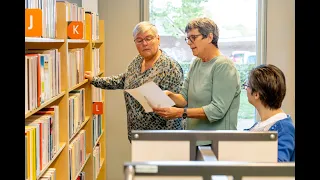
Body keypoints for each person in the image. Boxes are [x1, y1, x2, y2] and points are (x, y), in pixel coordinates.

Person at [84, 21, 184, 142]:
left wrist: (169, 144)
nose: (144, 44)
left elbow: (178, 106)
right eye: (139, 40)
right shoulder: (138, 60)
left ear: (158, 39)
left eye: (149, 38)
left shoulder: (170, 67)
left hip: (160, 139)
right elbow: (123, 80)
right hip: (137, 134)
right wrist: (95, 80)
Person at [153, 17, 241, 146]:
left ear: (210, 37)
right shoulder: (196, 63)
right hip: (195, 140)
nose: (189, 42)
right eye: (187, 38)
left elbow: (217, 110)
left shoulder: (224, 66)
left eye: (193, 37)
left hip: (217, 144)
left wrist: (179, 113)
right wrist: (168, 95)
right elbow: (184, 98)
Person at [243, 64, 295, 162]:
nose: (246, 89)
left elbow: (278, 167)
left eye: (247, 86)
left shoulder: (285, 129)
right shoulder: (262, 125)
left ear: (256, 94)